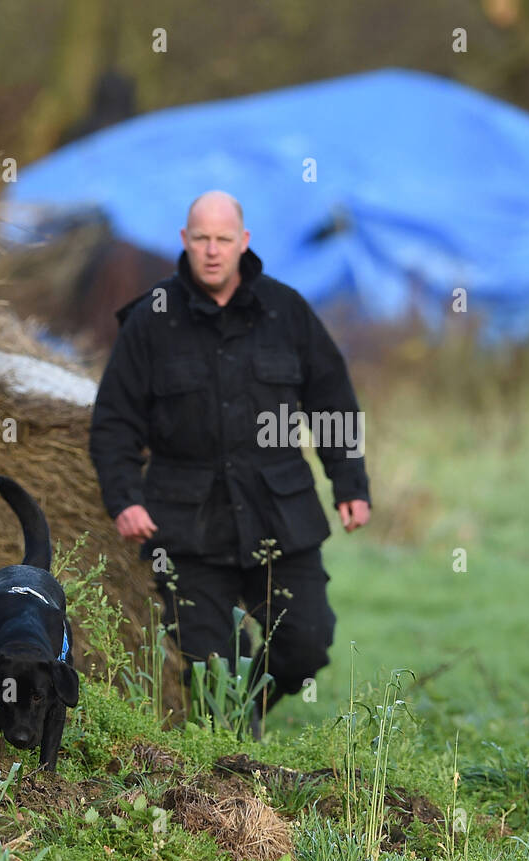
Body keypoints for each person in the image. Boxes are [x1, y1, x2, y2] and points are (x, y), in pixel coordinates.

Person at [89, 191, 371, 738]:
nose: (212, 251)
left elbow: (333, 403)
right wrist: (124, 497)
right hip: (186, 524)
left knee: (307, 642)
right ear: (184, 242)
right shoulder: (152, 320)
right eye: (201, 239)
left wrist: (350, 483)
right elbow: (114, 422)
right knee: (209, 664)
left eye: (223, 240)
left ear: (243, 242)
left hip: (280, 517)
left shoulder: (286, 311)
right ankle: (234, 763)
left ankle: (245, 714)